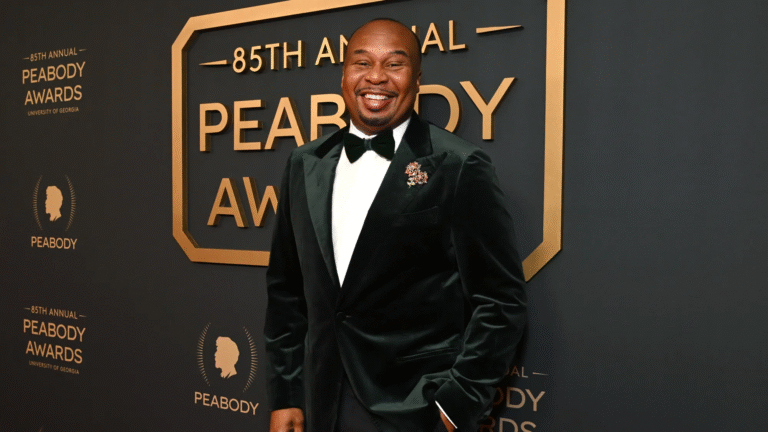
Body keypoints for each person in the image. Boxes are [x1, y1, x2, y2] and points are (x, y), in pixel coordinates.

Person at [264, 18, 526, 432]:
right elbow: (287, 293)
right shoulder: (304, 163)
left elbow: (500, 301)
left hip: (413, 409)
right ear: (344, 73)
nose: (376, 77)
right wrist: (286, 395)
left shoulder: (459, 166)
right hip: (320, 403)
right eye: (362, 62)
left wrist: (455, 405)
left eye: (394, 64)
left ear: (417, 78)